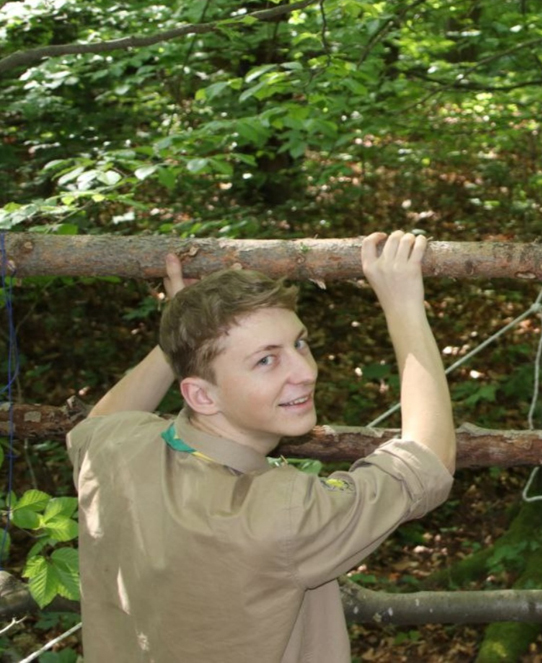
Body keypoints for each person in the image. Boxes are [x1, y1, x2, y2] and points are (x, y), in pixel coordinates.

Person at [67, 230, 456, 662]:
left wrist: (184, 330)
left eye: (299, 343)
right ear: (200, 396)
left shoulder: (114, 452)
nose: (305, 372)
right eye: (266, 360)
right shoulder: (283, 513)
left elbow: (97, 423)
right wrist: (403, 305)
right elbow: (428, 461)